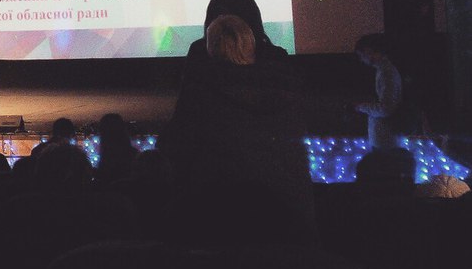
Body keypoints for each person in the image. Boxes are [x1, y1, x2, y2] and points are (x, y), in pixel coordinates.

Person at [159, 14, 318, 245]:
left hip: (217, 219)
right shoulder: (285, 90)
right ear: (250, 43)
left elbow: (174, 149)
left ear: (210, 47)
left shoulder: (200, 96)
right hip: (284, 219)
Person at [354, 33, 403, 150]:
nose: (361, 60)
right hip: (384, 137)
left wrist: (360, 107)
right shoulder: (385, 70)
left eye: (361, 55)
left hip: (384, 138)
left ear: (369, 51)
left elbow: (386, 108)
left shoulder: (386, 72)